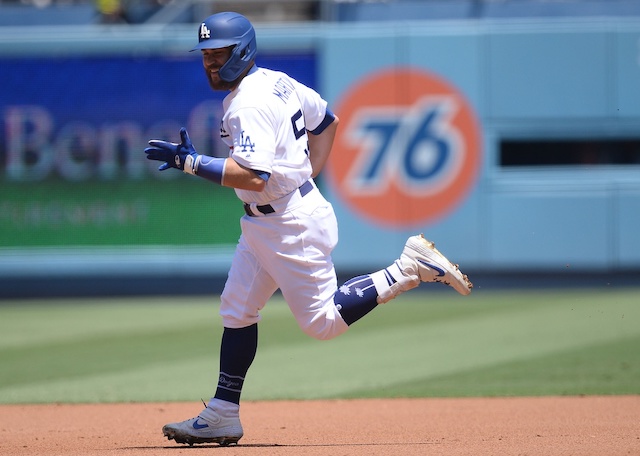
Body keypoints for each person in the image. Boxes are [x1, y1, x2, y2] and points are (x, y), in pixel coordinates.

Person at [144, 11, 473, 447]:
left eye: (219, 54)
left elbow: (253, 175)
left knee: (322, 322)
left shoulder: (248, 103)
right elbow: (327, 121)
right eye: (206, 55)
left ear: (242, 51)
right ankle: (223, 413)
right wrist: (307, 175)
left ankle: (407, 267)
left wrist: (192, 163)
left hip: (287, 222)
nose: (210, 63)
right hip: (273, 218)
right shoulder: (277, 81)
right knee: (238, 309)